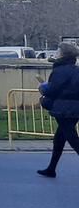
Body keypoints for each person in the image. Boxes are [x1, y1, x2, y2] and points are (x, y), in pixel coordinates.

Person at [37, 41, 79, 178]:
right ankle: (51, 168)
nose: (55, 53)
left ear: (62, 54)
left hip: (63, 109)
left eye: (57, 51)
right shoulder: (75, 70)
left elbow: (53, 90)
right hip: (75, 108)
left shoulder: (59, 70)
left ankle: (51, 169)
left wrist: (43, 87)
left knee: (72, 139)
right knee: (60, 138)